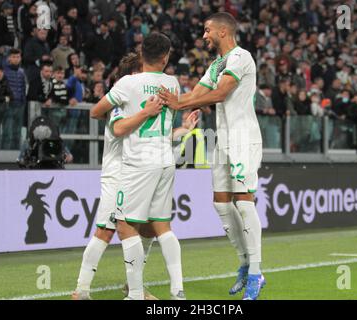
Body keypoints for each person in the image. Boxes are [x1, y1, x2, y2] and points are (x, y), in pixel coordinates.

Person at [72, 51, 199, 300]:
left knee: (149, 229)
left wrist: (183, 129)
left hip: (141, 172)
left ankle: (134, 286)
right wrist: (147, 111)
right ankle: (82, 289)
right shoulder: (120, 104)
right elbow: (119, 128)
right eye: (141, 73)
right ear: (133, 74)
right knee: (106, 231)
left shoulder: (138, 97)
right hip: (118, 173)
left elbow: (151, 134)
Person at [159, 12, 265, 300]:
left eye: (207, 30)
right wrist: (175, 103)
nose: (203, 36)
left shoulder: (241, 57)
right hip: (222, 139)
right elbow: (197, 94)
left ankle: (256, 272)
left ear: (222, 31)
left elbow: (219, 94)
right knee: (220, 202)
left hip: (244, 138)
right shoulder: (217, 64)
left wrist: (178, 102)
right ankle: (244, 261)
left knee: (244, 203)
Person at [105, 33, 188, 301]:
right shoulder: (172, 83)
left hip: (139, 161)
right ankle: (178, 291)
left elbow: (102, 111)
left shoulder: (129, 83)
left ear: (141, 53)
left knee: (125, 225)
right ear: (165, 57)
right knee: (162, 225)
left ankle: (135, 295)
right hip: (166, 159)